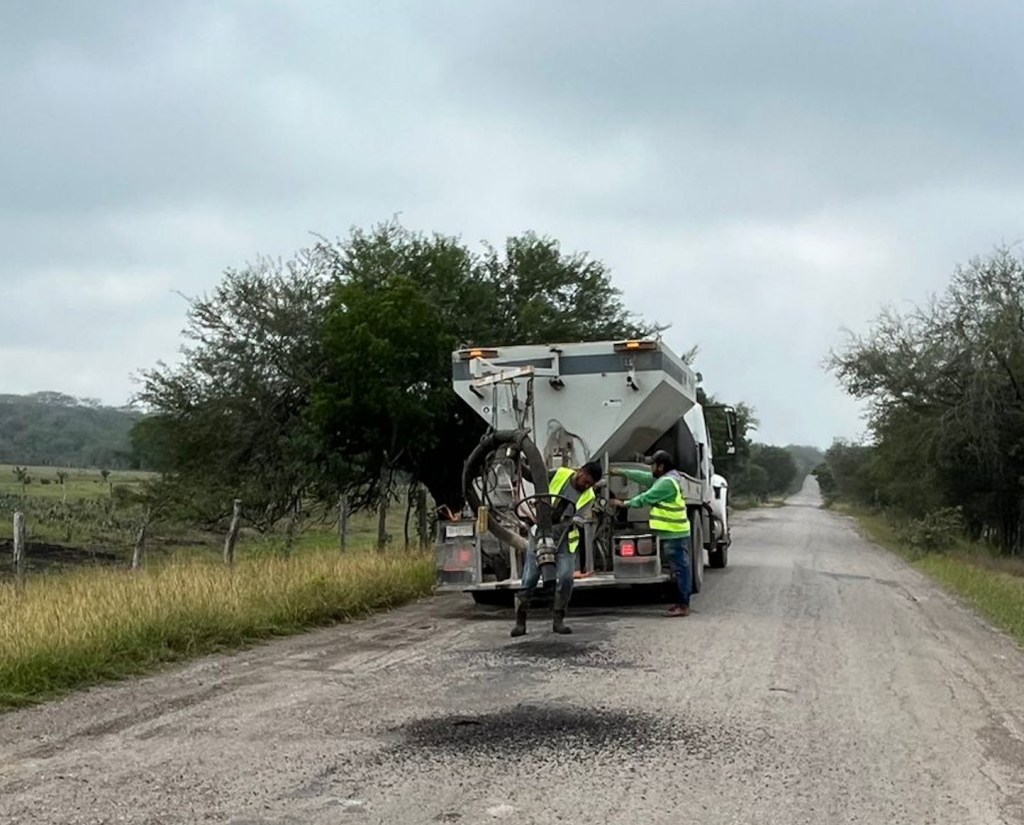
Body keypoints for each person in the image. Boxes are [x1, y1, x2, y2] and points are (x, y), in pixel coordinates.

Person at [512, 460, 603, 637]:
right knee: (529, 579)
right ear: (580, 471)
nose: (586, 486)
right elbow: (534, 476)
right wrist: (519, 463)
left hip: (565, 540)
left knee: (566, 578)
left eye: (590, 485)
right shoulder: (560, 474)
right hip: (541, 534)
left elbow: (581, 516)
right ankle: (520, 622)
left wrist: (574, 520)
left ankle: (558, 619)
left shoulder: (589, 496)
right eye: (586, 481)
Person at [610, 450, 693, 617]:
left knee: (680, 570)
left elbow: (646, 498)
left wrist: (623, 503)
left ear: (661, 467)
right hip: (674, 532)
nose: (651, 469)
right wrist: (621, 472)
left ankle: (683, 605)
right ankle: (681, 603)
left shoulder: (666, 483)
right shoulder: (668, 478)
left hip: (674, 532)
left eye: (653, 465)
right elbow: (644, 477)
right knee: (679, 569)